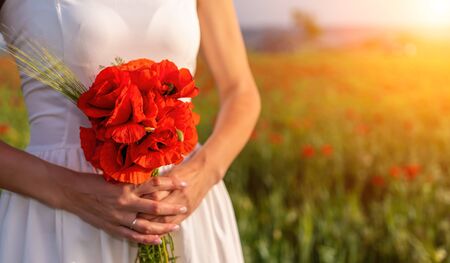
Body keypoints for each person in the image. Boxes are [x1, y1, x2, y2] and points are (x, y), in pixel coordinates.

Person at [0, 0, 261, 262]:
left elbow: (240, 91)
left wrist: (201, 174)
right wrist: (71, 191)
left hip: (183, 205)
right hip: (59, 219)